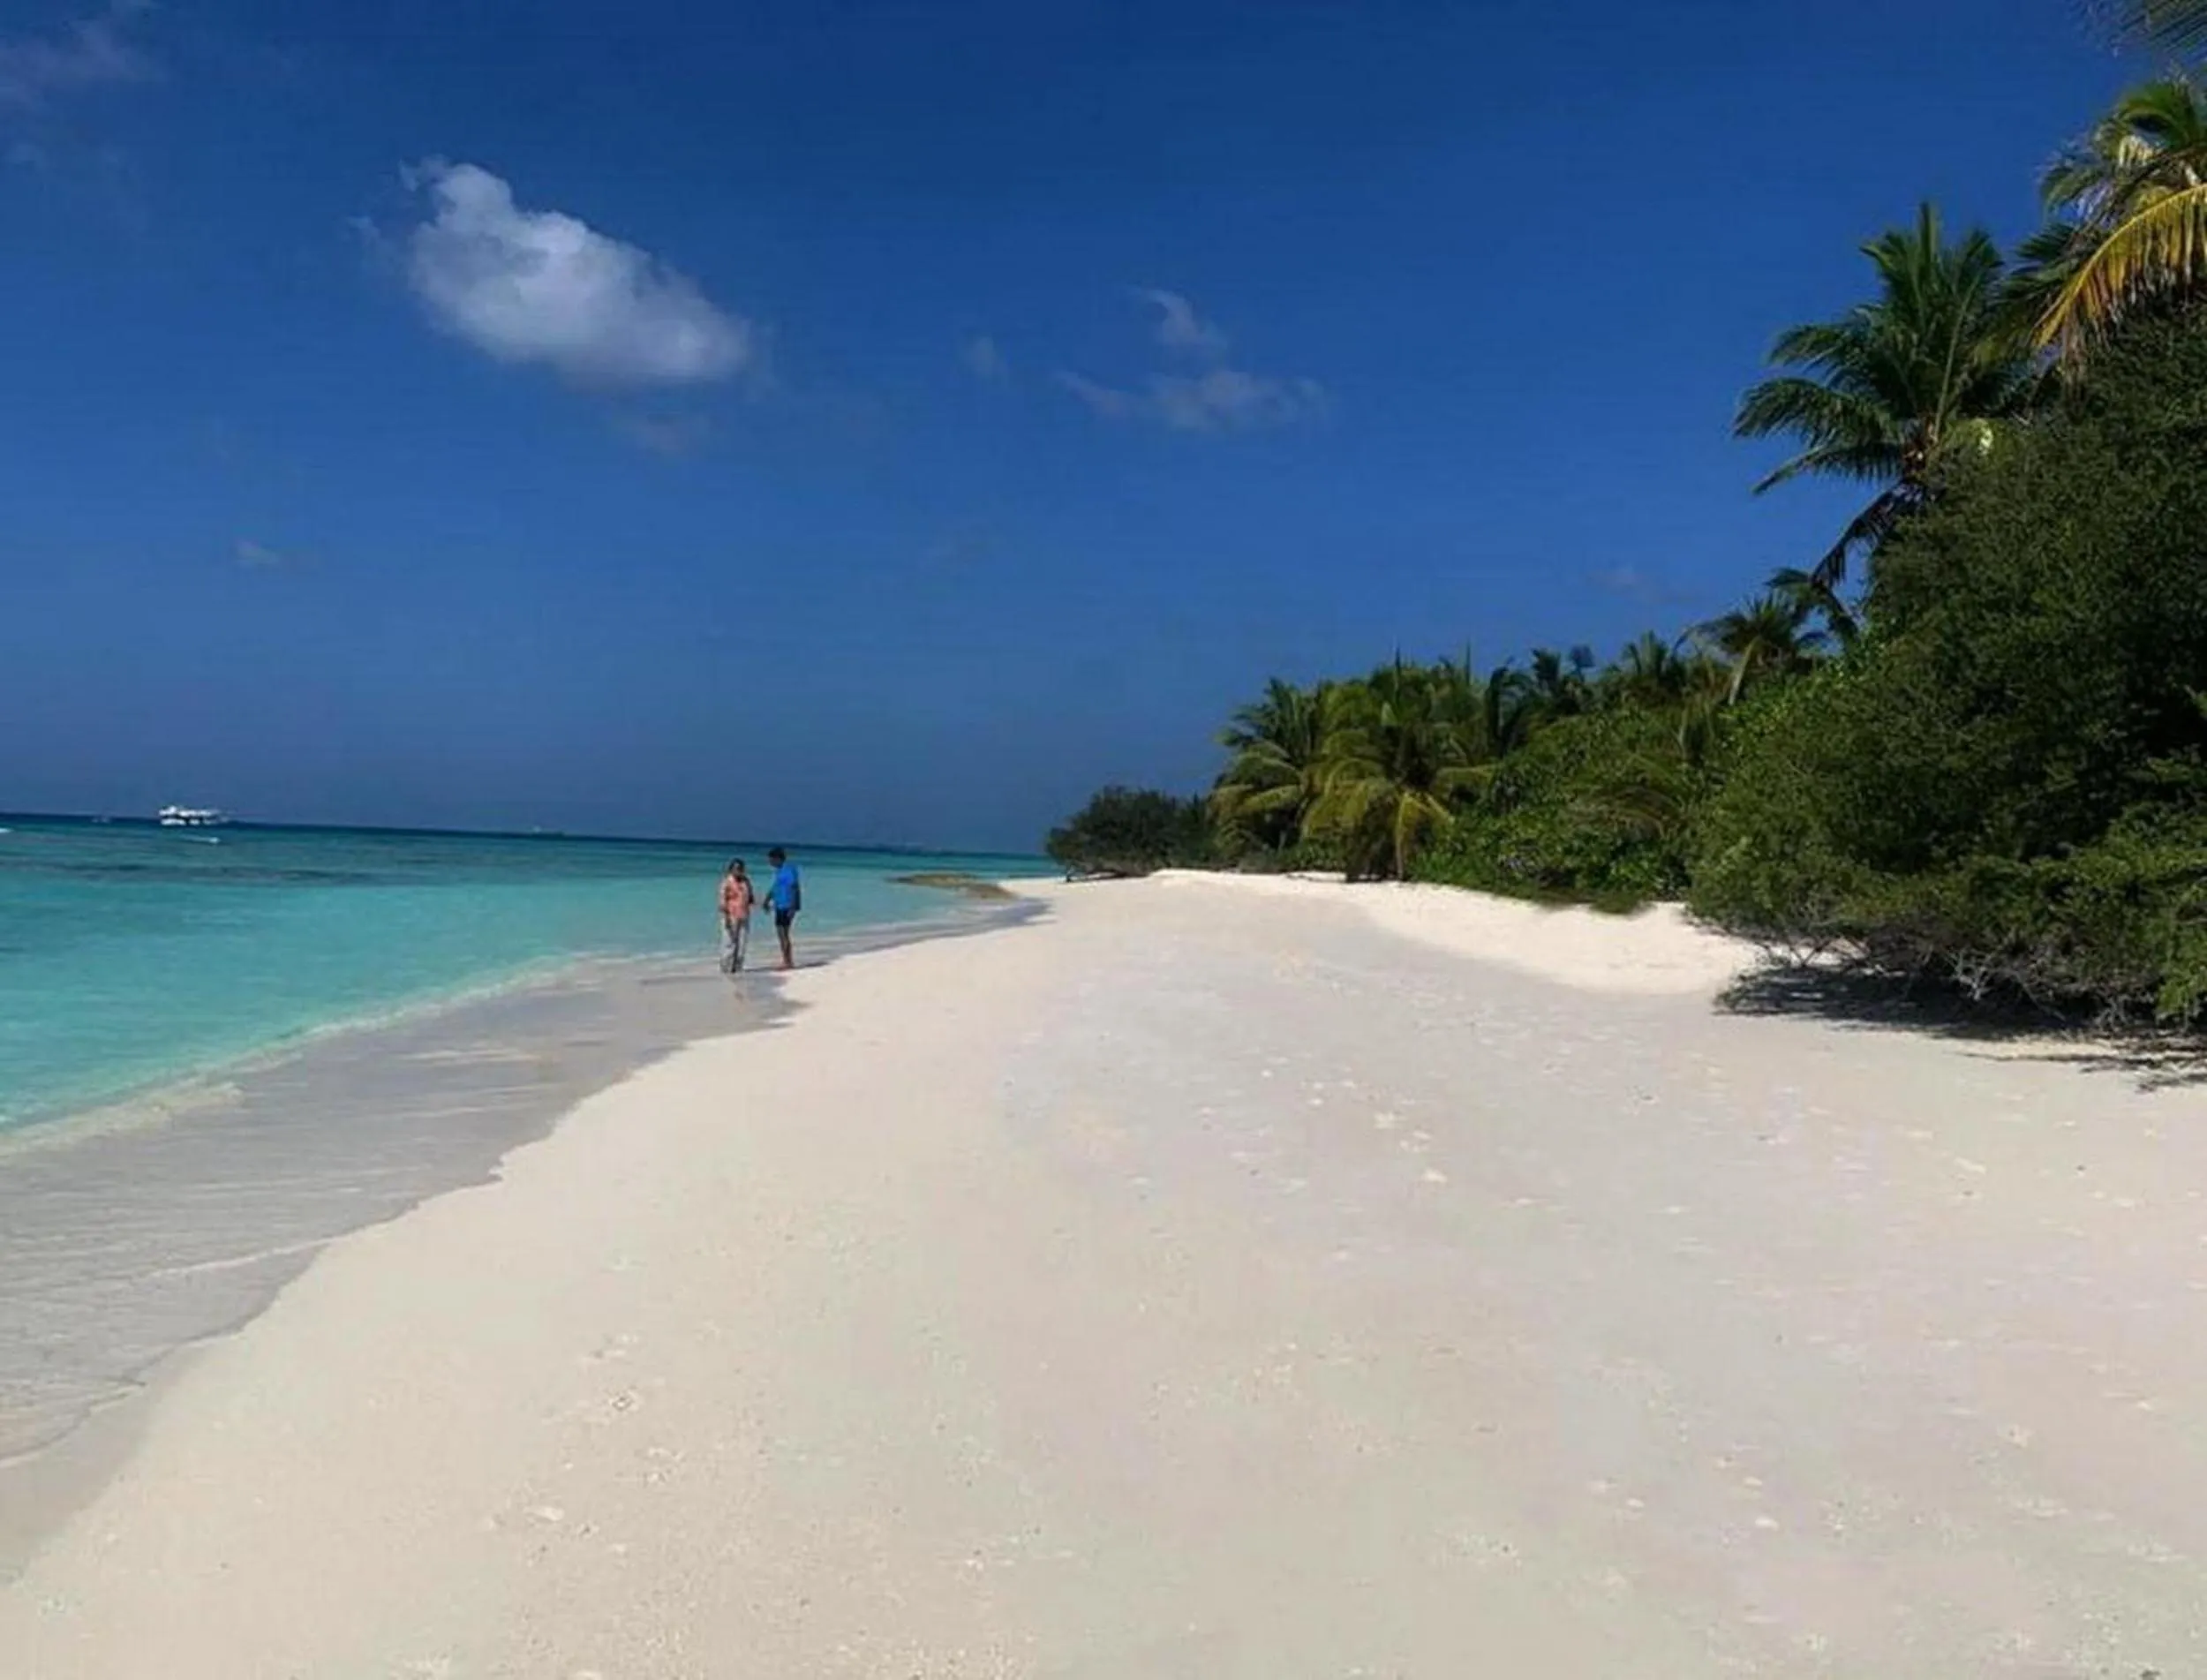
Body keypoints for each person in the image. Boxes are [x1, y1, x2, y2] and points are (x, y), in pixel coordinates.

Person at [765, 846, 802, 970]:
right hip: (779, 905)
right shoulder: (779, 871)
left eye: (771, 860)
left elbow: (794, 888)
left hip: (786, 905)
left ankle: (788, 961)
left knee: (784, 934)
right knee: (781, 934)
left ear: (778, 859)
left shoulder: (789, 870)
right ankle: (786, 960)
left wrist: (793, 907)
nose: (770, 862)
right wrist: (767, 900)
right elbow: (775, 887)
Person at [718, 858, 754, 973]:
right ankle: (726, 969)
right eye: (736, 869)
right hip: (731, 915)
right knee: (729, 944)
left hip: (744, 915)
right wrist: (727, 918)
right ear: (731, 870)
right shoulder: (726, 882)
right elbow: (722, 902)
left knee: (742, 944)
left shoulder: (746, 881)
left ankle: (738, 969)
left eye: (740, 869)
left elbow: (750, 897)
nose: (738, 871)